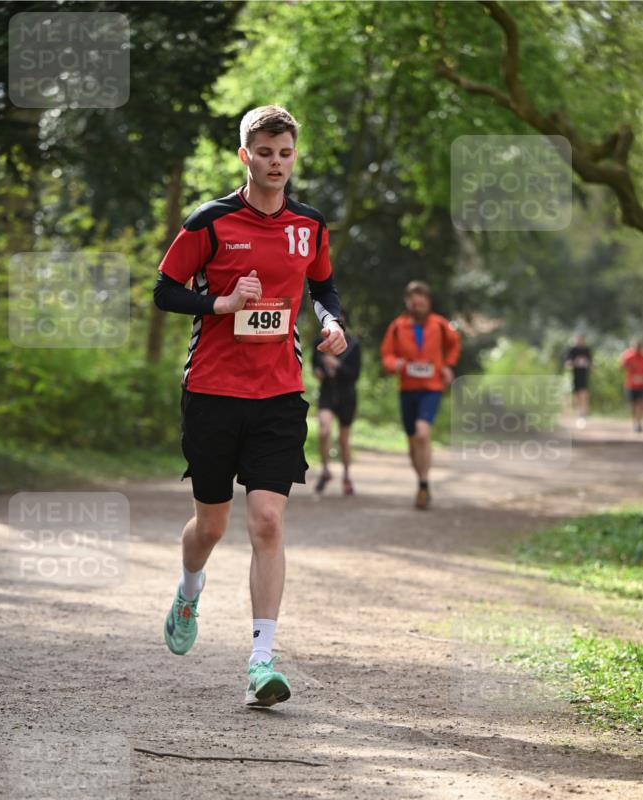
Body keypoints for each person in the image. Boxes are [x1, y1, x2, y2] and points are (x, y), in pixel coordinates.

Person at [153, 105, 346, 708]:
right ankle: (189, 591)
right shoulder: (210, 221)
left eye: (285, 153)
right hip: (212, 391)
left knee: (266, 519)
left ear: (294, 155)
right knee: (210, 525)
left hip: (279, 393)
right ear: (246, 155)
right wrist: (222, 303)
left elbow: (322, 284)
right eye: (265, 153)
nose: (276, 163)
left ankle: (262, 662)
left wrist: (332, 321)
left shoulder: (309, 225)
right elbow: (163, 291)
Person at [380, 281, 461, 509]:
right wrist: (393, 363)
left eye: (421, 303)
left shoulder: (441, 325)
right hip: (407, 388)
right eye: (414, 303)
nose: (418, 307)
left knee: (423, 433)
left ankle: (424, 485)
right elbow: (386, 354)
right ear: (407, 302)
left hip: (431, 387)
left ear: (428, 303)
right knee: (412, 443)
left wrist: (448, 365)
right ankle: (421, 481)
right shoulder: (397, 326)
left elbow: (455, 345)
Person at [312, 309, 362, 495]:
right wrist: (319, 371)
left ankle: (347, 475)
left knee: (343, 439)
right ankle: (325, 471)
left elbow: (355, 375)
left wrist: (337, 365)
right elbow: (314, 366)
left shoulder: (353, 345)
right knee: (324, 431)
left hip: (347, 395)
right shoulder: (318, 343)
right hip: (327, 393)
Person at [564, 333, 592, 428]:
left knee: (583, 395)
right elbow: (567, 364)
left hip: (584, 376)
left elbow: (591, 363)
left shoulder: (587, 350)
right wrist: (574, 363)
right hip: (574, 377)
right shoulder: (572, 350)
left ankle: (583, 415)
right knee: (576, 397)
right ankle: (578, 414)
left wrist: (589, 365)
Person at [620, 338, 643, 433]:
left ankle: (638, 423)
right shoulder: (628, 355)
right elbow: (622, 366)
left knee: (641, 403)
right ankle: (634, 422)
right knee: (633, 405)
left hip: (642, 385)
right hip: (630, 385)